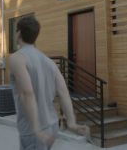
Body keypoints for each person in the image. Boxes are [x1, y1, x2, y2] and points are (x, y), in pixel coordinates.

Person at [9, 16, 89, 150]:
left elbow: (27, 93)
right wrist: (71, 123)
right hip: (52, 126)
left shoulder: (17, 58)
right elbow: (63, 92)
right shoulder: (49, 62)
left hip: (33, 131)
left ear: (18, 33)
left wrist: (36, 128)